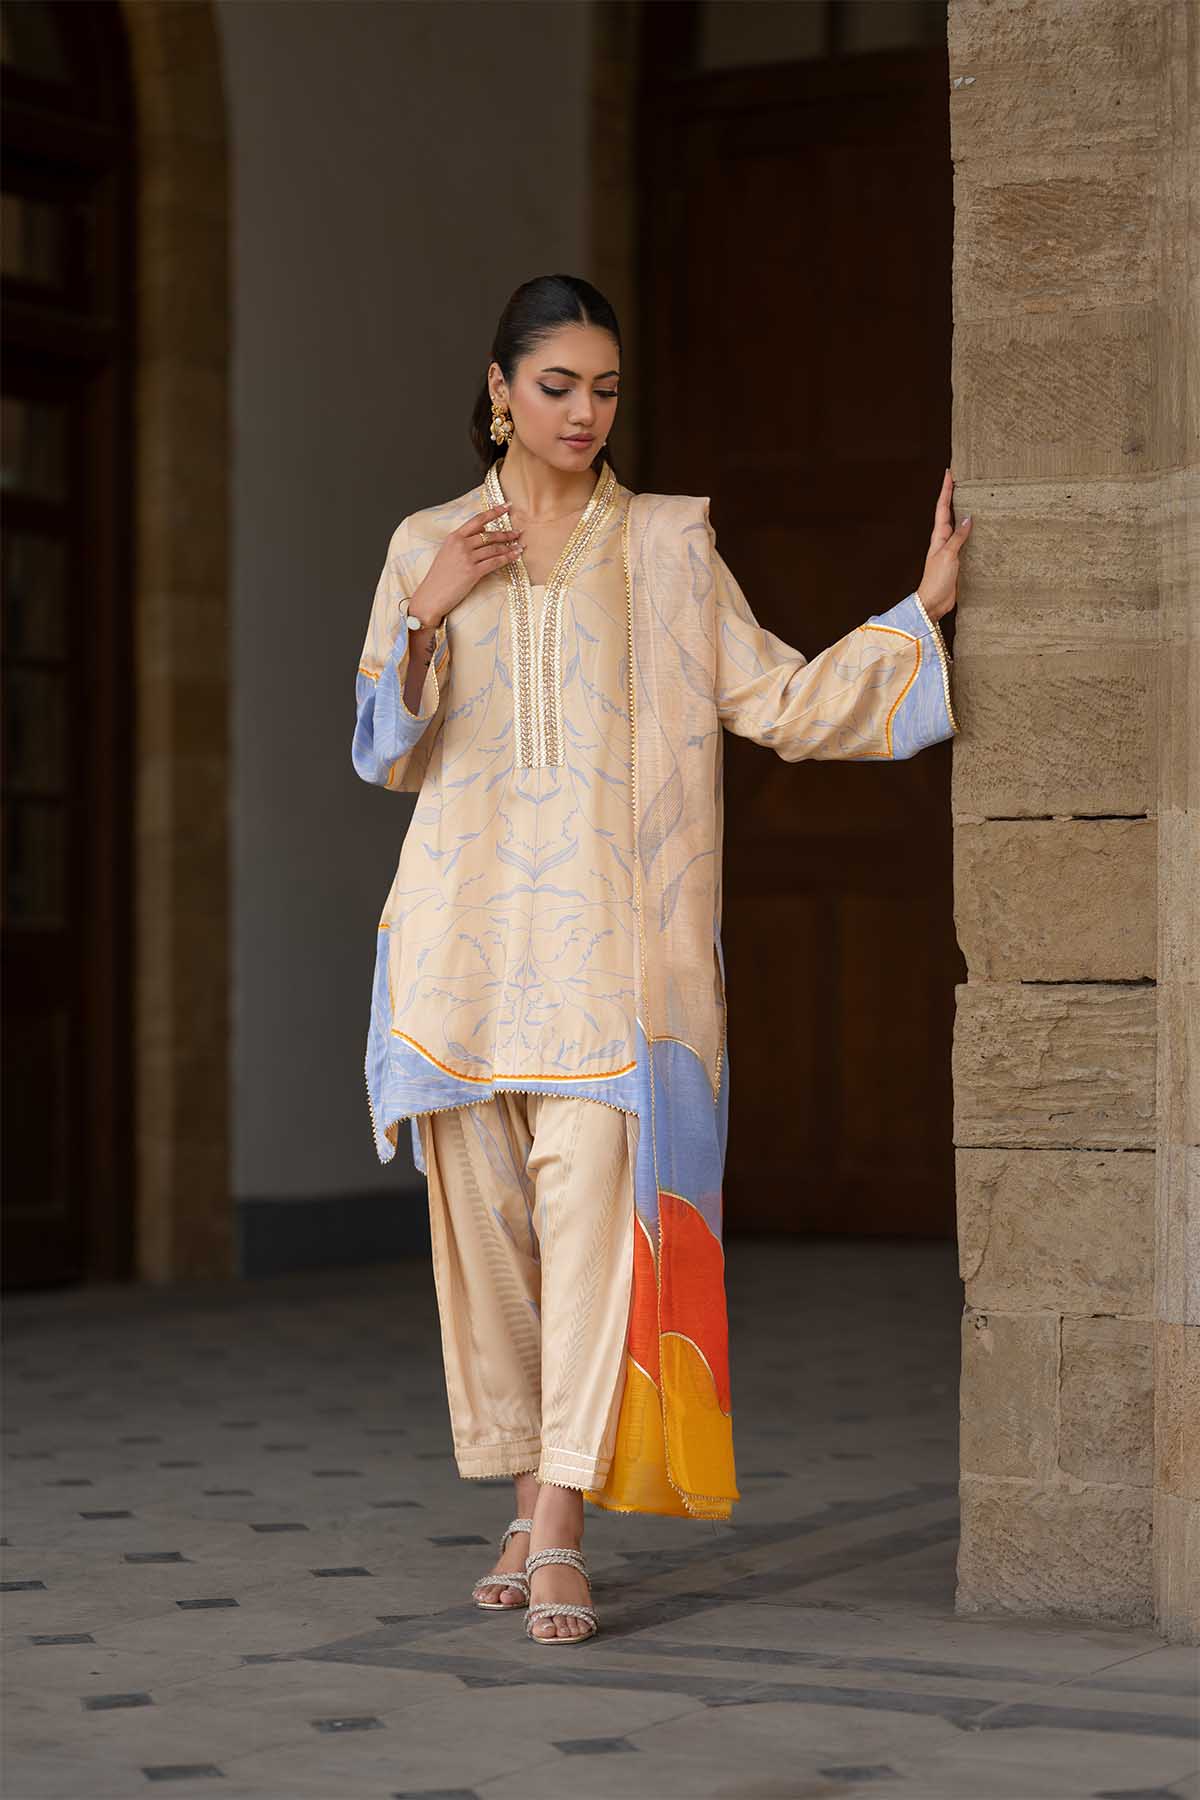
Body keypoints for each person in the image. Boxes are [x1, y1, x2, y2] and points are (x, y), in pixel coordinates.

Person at [351, 274, 970, 1644]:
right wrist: (431, 609)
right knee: (493, 1261)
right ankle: (524, 1507)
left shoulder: (669, 548)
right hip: (461, 958)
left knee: (590, 1248)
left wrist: (918, 614)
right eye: (557, 386)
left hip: (613, 969)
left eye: (606, 389)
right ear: (500, 388)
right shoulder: (424, 544)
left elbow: (778, 698)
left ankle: (561, 1526)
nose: (585, 412)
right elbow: (383, 752)